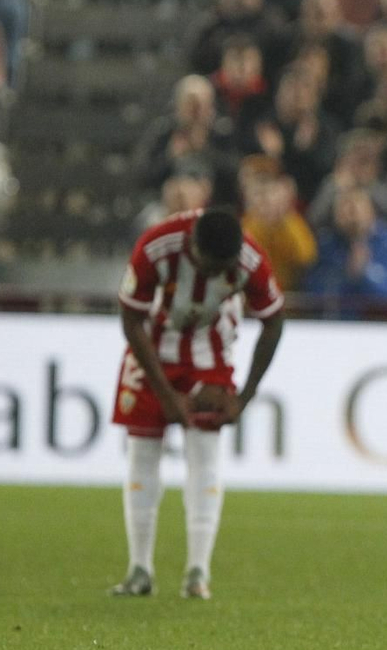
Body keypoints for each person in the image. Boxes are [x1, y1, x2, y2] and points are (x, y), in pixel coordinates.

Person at [110, 206, 286, 600]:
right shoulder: (157, 247)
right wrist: (165, 394)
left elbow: (274, 320)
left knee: (205, 452)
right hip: (152, 347)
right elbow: (130, 318)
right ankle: (140, 569)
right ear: (192, 246)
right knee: (142, 450)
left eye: (222, 269)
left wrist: (245, 396)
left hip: (209, 350)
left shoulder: (248, 260)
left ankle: (197, 573)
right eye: (208, 267)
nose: (213, 275)